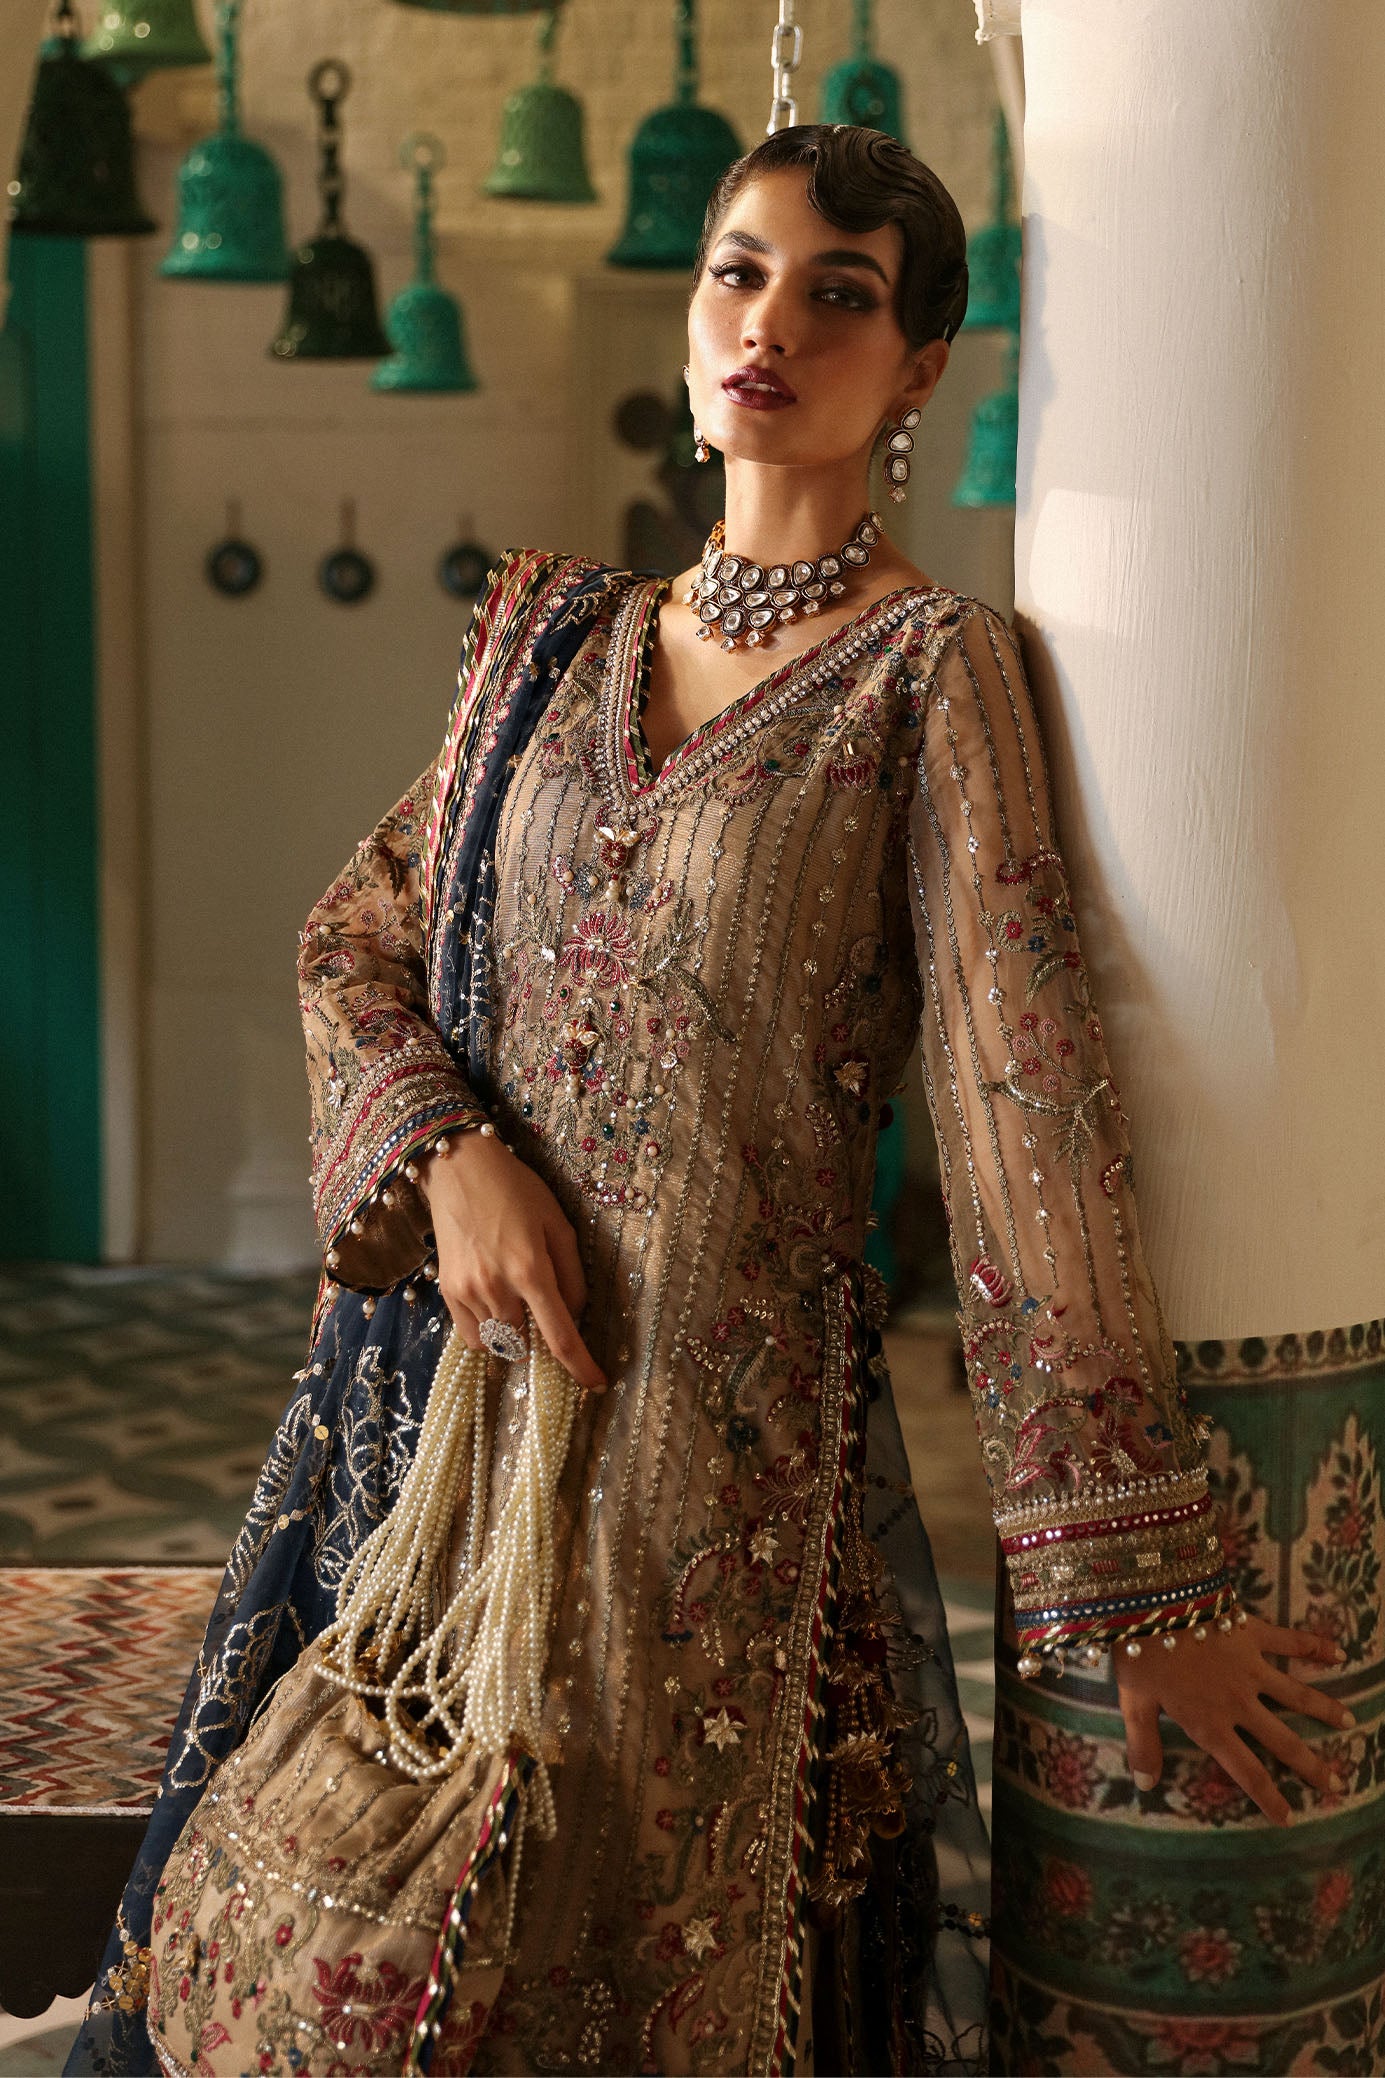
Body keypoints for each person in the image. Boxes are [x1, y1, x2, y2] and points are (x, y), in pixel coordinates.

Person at [69, 125, 1354, 2078]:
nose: (772, 324)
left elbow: (1022, 1106)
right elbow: (355, 940)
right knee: (359, 1918)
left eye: (841, 294)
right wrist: (452, 1156)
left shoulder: (930, 675)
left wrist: (1139, 1582)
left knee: (632, 1955)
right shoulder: (551, 647)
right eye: (738, 272)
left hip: (713, 1483)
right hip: (452, 1428)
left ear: (919, 368)